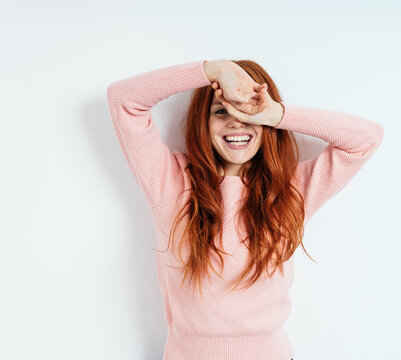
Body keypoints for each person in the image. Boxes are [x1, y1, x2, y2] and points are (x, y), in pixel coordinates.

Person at [106, 59, 384, 360]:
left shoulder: (292, 190)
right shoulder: (171, 181)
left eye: (248, 109)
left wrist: (277, 113)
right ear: (205, 122)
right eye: (221, 111)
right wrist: (213, 71)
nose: (236, 121)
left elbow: (365, 139)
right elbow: (123, 100)